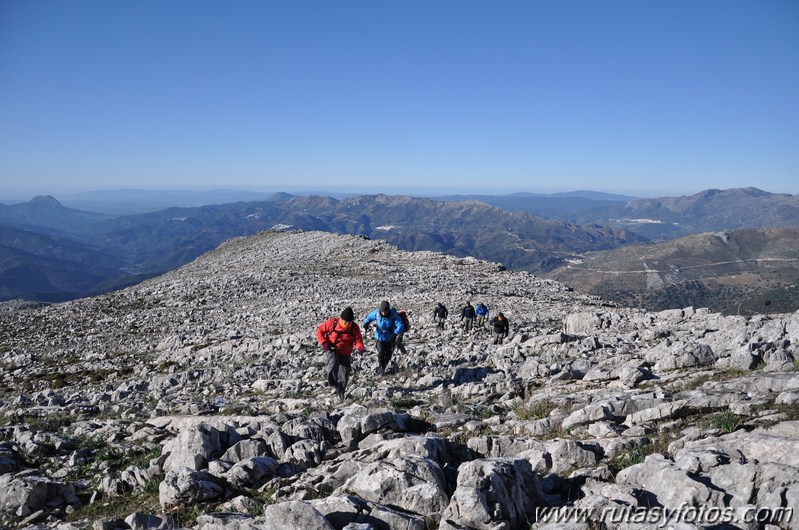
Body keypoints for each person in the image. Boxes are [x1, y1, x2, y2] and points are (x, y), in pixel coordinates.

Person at [316, 307, 365, 400]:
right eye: (345, 321)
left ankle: (341, 393)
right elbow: (320, 331)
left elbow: (358, 340)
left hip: (345, 352)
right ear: (341, 318)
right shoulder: (332, 323)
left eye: (349, 322)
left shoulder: (354, 327)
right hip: (331, 348)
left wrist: (360, 347)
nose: (347, 324)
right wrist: (324, 342)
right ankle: (333, 384)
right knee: (333, 363)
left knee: (344, 374)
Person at [363, 300, 404, 375]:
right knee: (381, 352)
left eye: (385, 311)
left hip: (390, 338)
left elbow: (400, 325)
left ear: (388, 310)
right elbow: (369, 317)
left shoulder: (393, 315)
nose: (384, 313)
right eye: (382, 311)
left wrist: (395, 334)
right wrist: (366, 323)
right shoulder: (377, 313)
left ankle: (385, 366)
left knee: (388, 354)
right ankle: (381, 367)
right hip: (379, 337)